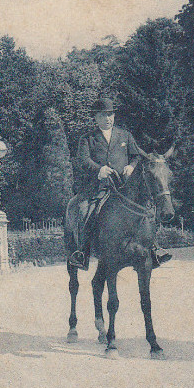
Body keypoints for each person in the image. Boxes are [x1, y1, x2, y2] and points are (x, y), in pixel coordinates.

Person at [68, 97, 172, 270]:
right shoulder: (87, 138)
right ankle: (82, 252)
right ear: (96, 118)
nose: (107, 118)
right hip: (98, 186)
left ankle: (154, 247)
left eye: (110, 115)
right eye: (103, 115)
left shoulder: (125, 135)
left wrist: (131, 166)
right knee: (85, 210)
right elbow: (83, 160)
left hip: (124, 186)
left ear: (114, 116)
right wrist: (99, 170)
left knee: (147, 209)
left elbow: (136, 155)